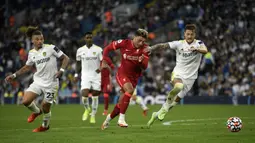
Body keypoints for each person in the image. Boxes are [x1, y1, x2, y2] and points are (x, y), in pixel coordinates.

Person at [5, 26, 70, 132]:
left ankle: (45, 126)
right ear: (32, 41)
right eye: (37, 39)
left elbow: (66, 58)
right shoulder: (31, 53)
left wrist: (61, 70)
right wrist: (14, 75)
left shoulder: (51, 48)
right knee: (25, 101)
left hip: (51, 83)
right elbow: (27, 67)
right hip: (38, 81)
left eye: (41, 39)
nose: (40, 41)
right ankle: (36, 112)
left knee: (45, 106)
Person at [147, 24, 208, 128]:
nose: (189, 36)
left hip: (191, 78)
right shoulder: (179, 44)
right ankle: (163, 110)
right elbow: (163, 45)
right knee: (178, 86)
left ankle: (158, 113)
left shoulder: (199, 43)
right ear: (184, 34)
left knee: (173, 104)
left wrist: (197, 49)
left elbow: (205, 50)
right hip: (178, 73)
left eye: (191, 34)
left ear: (194, 35)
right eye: (187, 34)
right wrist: (151, 48)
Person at [101, 28, 150, 130]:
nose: (141, 43)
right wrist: (105, 60)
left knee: (120, 104)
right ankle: (121, 119)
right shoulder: (124, 43)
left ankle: (107, 120)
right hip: (122, 74)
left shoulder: (145, 48)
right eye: (139, 40)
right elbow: (107, 48)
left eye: (143, 41)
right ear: (134, 37)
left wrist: (141, 61)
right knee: (130, 90)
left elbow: (145, 67)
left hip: (134, 78)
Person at [74, 32, 102, 124]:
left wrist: (100, 68)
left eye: (90, 37)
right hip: (85, 75)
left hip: (96, 76)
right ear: (84, 39)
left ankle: (93, 115)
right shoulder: (80, 50)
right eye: (87, 37)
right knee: (84, 94)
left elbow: (103, 61)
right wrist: (76, 75)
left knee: (95, 95)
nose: (89, 39)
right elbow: (78, 63)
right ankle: (87, 109)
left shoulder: (98, 49)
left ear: (92, 38)